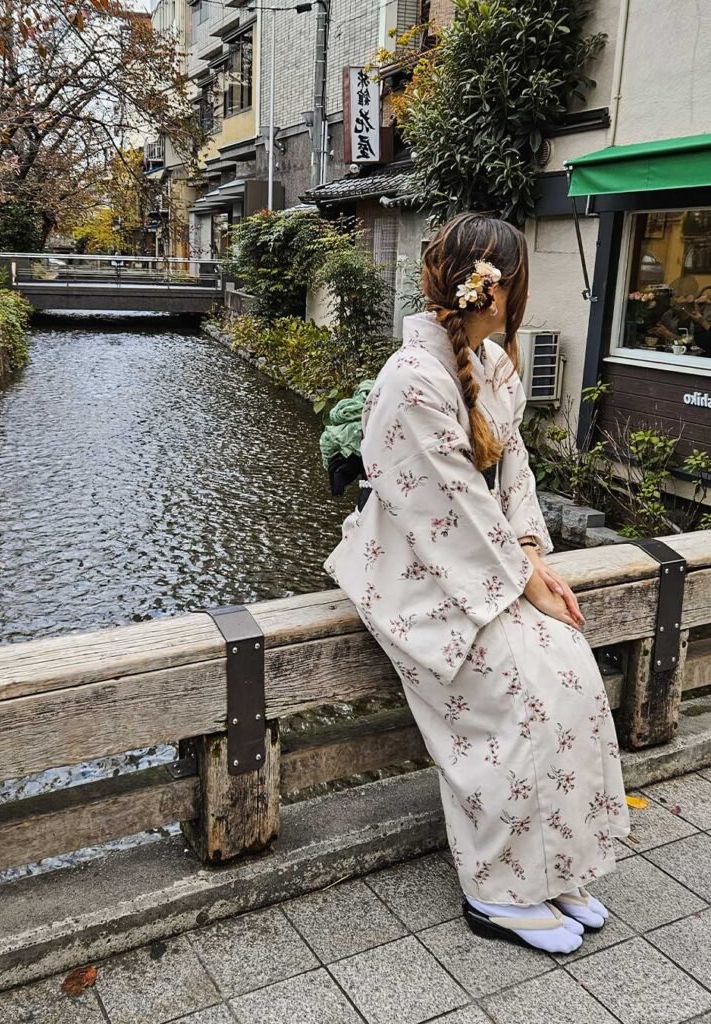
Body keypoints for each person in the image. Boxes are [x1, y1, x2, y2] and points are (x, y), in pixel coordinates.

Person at [323, 213, 630, 954]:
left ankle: (556, 864)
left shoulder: (488, 362)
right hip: (417, 571)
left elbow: (511, 470)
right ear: (493, 290)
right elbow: (444, 500)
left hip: (484, 562)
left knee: (571, 678)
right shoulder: (412, 377)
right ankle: (494, 890)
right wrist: (522, 575)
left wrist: (529, 549)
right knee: (513, 705)